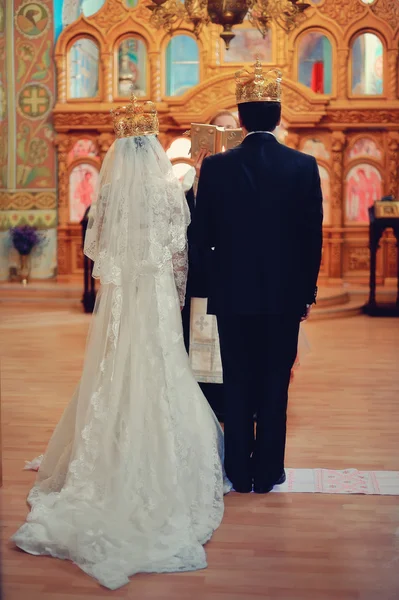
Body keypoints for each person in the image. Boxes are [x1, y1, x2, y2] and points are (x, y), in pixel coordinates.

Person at [12, 94, 231, 589]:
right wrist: (173, 298)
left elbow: (97, 251)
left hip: (122, 295)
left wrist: (118, 281)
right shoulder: (169, 191)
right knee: (160, 366)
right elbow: (180, 255)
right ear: (153, 145)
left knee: (116, 367)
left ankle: (105, 450)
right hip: (154, 293)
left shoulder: (108, 194)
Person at [192, 60, 323, 494]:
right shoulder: (303, 167)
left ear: (241, 118)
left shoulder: (216, 168)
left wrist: (214, 288)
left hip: (232, 297)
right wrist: (307, 293)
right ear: (279, 115)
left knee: (237, 380)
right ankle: (268, 472)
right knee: (274, 385)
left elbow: (203, 236)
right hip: (285, 297)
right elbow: (311, 239)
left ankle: (238, 472)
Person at [182, 110, 239, 420]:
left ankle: (236, 401)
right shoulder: (190, 177)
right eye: (217, 127)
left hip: (235, 272)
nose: (222, 132)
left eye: (228, 128)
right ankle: (205, 403)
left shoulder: (245, 172)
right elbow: (192, 224)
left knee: (232, 344)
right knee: (201, 340)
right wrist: (201, 176)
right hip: (203, 274)